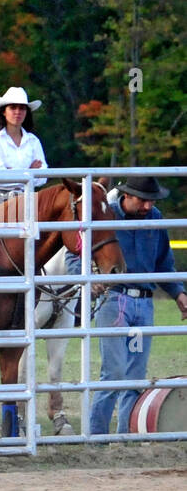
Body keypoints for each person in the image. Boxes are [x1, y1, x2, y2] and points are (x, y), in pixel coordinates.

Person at [90, 176, 187, 435]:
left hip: (143, 304)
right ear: (127, 196)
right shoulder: (106, 216)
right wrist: (88, 280)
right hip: (115, 301)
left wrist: (178, 292)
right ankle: (96, 437)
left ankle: (125, 435)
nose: (147, 206)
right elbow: (77, 252)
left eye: (150, 201)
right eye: (143, 200)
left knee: (135, 374)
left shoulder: (155, 218)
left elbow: (164, 262)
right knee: (114, 372)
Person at [0, 86, 47, 197]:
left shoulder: (33, 141)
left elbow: (43, 177)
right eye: (13, 107)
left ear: (26, 112)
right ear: (4, 112)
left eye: (22, 108)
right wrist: (29, 171)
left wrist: (12, 173)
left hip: (26, 197)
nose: (18, 112)